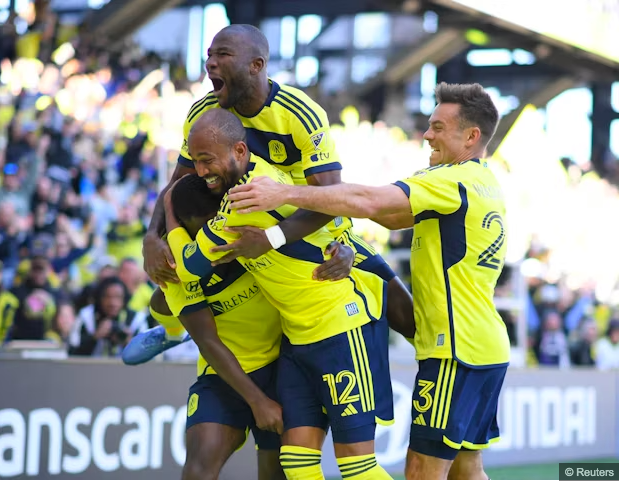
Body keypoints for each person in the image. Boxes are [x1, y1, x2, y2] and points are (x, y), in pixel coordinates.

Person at [226, 82, 510, 480]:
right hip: (485, 346)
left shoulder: (451, 180)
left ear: (471, 136)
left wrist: (284, 193)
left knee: (421, 472)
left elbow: (371, 202)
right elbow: (389, 217)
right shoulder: (486, 183)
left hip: (455, 351)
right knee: (466, 469)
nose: (427, 135)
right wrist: (343, 241)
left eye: (438, 127)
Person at [139, 23, 414, 361]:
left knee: (402, 309)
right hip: (234, 229)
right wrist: (152, 236)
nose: (210, 63)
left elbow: (330, 198)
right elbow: (180, 183)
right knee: (167, 291)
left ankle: (440, 371)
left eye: (222, 54)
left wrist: (273, 239)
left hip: (305, 230)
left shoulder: (300, 113)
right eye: (208, 55)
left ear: (257, 65)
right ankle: (171, 332)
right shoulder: (203, 112)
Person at [174, 108, 394, 480]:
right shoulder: (259, 182)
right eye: (194, 161)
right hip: (295, 342)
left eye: (206, 160)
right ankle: (165, 331)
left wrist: (167, 209)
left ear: (240, 151)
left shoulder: (246, 197)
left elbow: (189, 267)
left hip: (341, 326)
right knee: (296, 464)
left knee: (357, 468)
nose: (199, 171)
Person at [125, 173, 356, 479]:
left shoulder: (251, 230)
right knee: (198, 466)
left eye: (214, 224)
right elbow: (207, 341)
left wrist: (346, 250)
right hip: (224, 373)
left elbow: (323, 222)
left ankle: (172, 329)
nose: (212, 239)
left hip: (282, 366)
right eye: (199, 232)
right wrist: (257, 401)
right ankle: (172, 332)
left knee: (276, 472)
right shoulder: (176, 262)